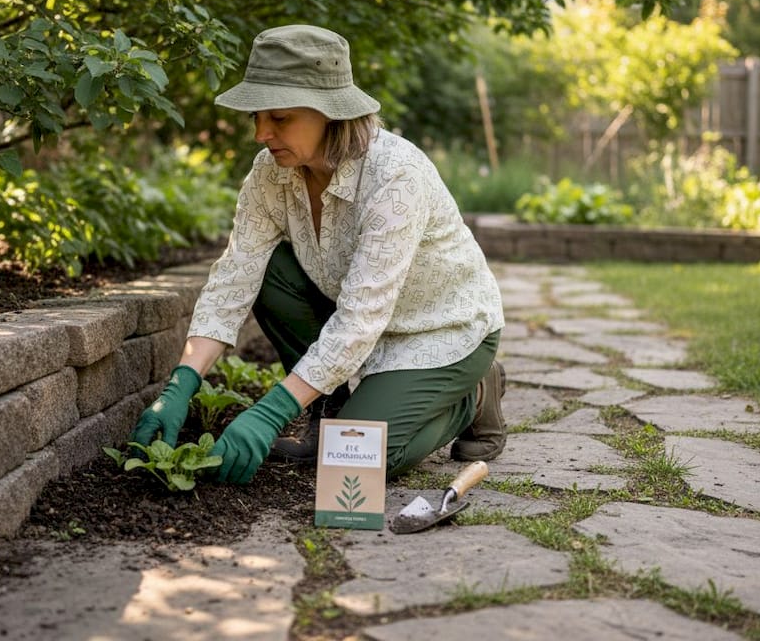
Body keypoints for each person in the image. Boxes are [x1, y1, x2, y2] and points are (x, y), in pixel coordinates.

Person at [129, 24, 506, 484]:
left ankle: (473, 392)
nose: (261, 133)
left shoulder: (396, 177)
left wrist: (271, 411)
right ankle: (331, 410)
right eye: (257, 117)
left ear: (331, 114)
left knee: (360, 462)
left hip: (438, 331)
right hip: (356, 321)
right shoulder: (271, 173)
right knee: (267, 268)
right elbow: (234, 277)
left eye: (280, 117)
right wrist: (180, 385)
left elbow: (362, 317)